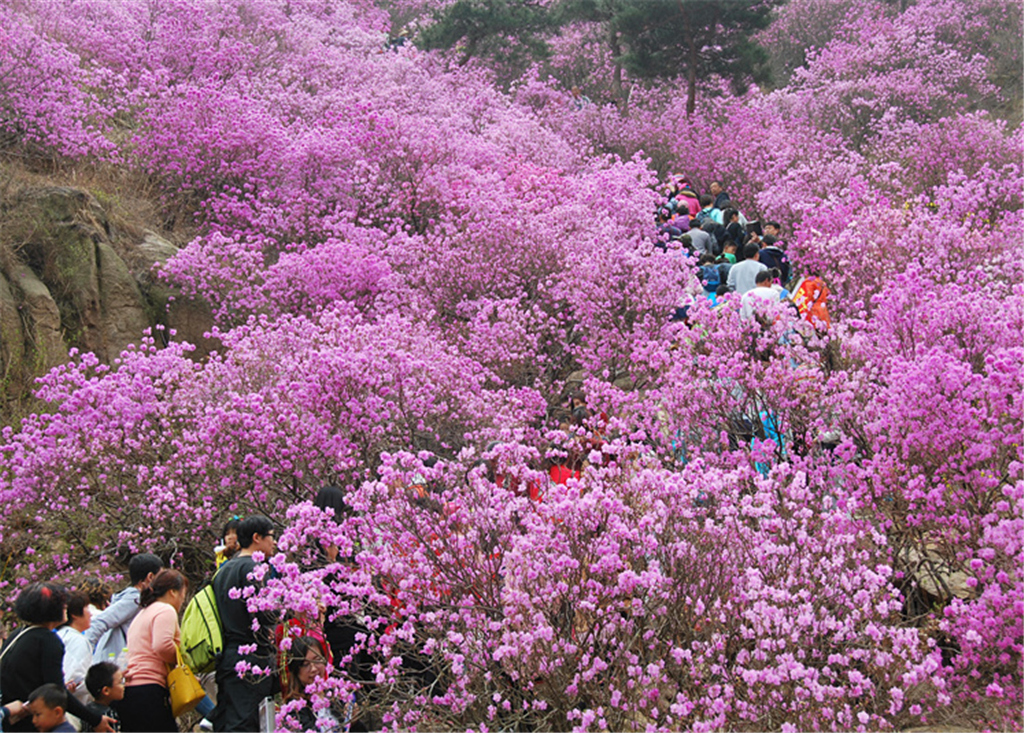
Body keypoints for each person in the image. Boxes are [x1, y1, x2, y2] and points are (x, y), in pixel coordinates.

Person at [0, 584, 113, 733]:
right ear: (51, 609)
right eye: (63, 605)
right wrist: (95, 719)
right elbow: (56, 692)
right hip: (30, 720)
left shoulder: (18, 634)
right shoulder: (47, 640)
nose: (66, 607)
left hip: (10, 717)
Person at [211, 516, 279, 732]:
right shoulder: (253, 568)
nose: (274, 542)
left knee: (230, 720)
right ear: (256, 538)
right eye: (270, 536)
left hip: (228, 657)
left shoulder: (223, 570)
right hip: (250, 657)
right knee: (245, 722)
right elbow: (266, 614)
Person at [116, 569, 187, 733]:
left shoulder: (142, 613)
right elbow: (162, 646)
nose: (183, 599)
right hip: (150, 689)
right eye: (183, 594)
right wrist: (180, 662)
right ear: (173, 592)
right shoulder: (165, 610)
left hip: (131, 689)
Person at [86, 554, 164, 664]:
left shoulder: (130, 598)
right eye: (161, 576)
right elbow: (99, 622)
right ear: (150, 577)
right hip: (116, 667)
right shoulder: (134, 599)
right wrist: (84, 654)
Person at [280, 637, 343, 733]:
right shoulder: (295, 709)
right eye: (306, 664)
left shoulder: (335, 695)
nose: (313, 669)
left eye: (317, 660)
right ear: (296, 670)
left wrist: (354, 722)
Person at [55, 592, 93, 706]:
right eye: (87, 608)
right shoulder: (77, 640)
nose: (90, 614)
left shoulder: (59, 635)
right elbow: (76, 679)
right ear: (75, 614)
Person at [82, 663, 124, 733]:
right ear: (106, 691)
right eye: (120, 682)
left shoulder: (86, 709)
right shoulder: (108, 715)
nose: (123, 686)